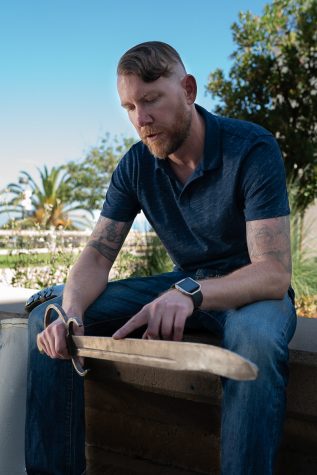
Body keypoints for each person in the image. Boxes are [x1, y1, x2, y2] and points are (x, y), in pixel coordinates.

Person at [25, 41, 297, 475]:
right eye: (129, 107)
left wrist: (189, 293)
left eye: (151, 100)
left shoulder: (250, 148)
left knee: (256, 344)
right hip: (182, 286)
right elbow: (98, 253)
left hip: (247, 293)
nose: (141, 119)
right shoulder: (136, 165)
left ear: (188, 89)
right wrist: (73, 310)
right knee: (49, 317)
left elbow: (274, 274)